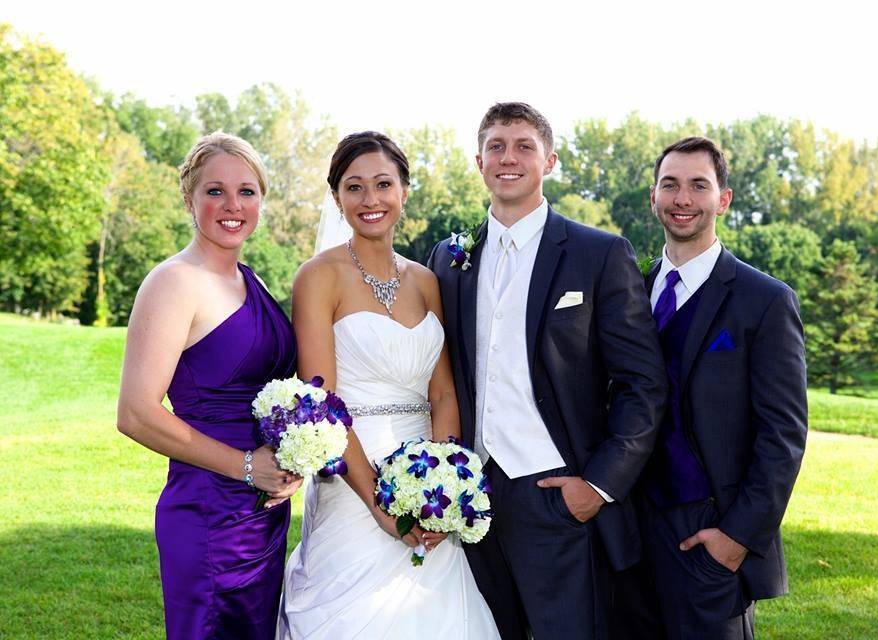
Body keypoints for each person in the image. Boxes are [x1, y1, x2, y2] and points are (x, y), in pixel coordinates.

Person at [427, 102, 667, 640]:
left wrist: (599, 485)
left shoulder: (598, 254)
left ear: (550, 160)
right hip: (471, 492)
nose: (508, 158)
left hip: (556, 491)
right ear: (478, 160)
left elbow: (643, 384)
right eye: (496, 146)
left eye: (523, 147)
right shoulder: (449, 257)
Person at [277, 131, 500, 639]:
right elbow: (323, 404)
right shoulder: (319, 276)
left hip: (428, 480)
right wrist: (381, 508)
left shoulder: (426, 280)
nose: (370, 199)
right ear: (337, 198)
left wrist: (446, 490)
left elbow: (441, 393)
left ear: (403, 190)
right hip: (354, 481)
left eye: (383, 184)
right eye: (354, 188)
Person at [117, 132, 301, 639]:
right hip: (207, 511)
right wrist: (247, 467)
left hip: (260, 514)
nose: (232, 205)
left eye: (247, 191)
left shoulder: (252, 280)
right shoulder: (174, 282)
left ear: (262, 200)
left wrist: (294, 458)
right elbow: (135, 412)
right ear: (189, 198)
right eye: (214, 191)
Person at [623, 136, 808, 639]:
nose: (683, 198)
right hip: (629, 534)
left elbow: (783, 436)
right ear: (654, 197)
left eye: (698, 185)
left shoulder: (764, 301)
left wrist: (736, 537)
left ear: (722, 199)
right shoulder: (629, 294)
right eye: (670, 185)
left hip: (710, 534)